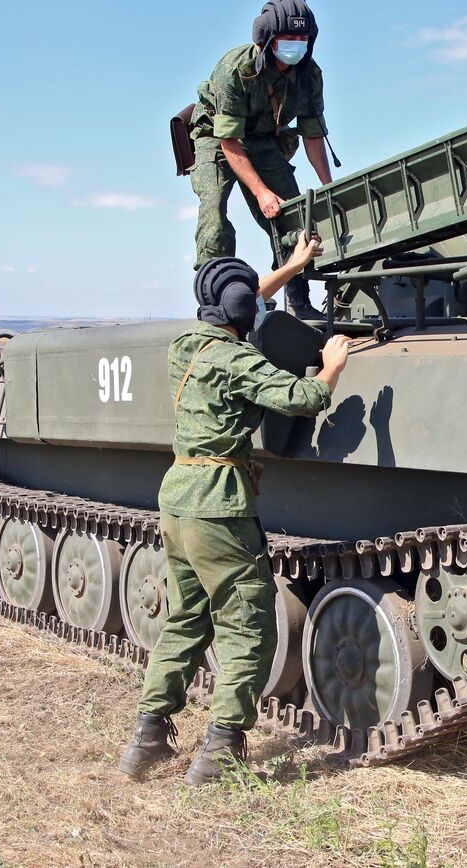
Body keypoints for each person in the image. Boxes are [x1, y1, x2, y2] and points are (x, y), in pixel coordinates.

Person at [118, 231, 352, 786]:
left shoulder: (186, 346)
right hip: (220, 502)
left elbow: (246, 301)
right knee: (246, 623)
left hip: (178, 499)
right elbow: (303, 398)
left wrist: (293, 266)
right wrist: (333, 364)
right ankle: (220, 751)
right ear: (243, 314)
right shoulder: (238, 361)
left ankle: (146, 741)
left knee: (184, 621)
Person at [189, 0, 335, 321]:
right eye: (288, 38)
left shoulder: (309, 77)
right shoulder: (235, 69)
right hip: (218, 137)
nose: (296, 44)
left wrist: (329, 186)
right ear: (268, 39)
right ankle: (214, 307)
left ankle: (298, 299)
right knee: (214, 216)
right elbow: (229, 141)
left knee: (292, 216)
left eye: (303, 38)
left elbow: (312, 135)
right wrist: (260, 191)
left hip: (263, 139)